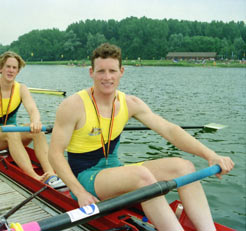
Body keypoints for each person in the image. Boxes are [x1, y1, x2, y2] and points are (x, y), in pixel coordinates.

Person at [48, 43, 234, 230]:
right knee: (142, 177)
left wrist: (210, 155)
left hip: (114, 172)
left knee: (184, 167)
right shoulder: (73, 105)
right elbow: (55, 154)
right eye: (101, 71)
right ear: (91, 72)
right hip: (85, 177)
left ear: (121, 71)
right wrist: (79, 192)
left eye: (112, 70)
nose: (107, 77)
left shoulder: (130, 103)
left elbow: (170, 130)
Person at [0, 51, 62, 185]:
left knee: (37, 132)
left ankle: (51, 175)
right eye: (8, 66)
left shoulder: (21, 89)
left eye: (14, 68)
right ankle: (34, 177)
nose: (11, 70)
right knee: (11, 130)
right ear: (1, 68)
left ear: (18, 71)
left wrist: (36, 122)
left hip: (12, 133)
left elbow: (32, 109)